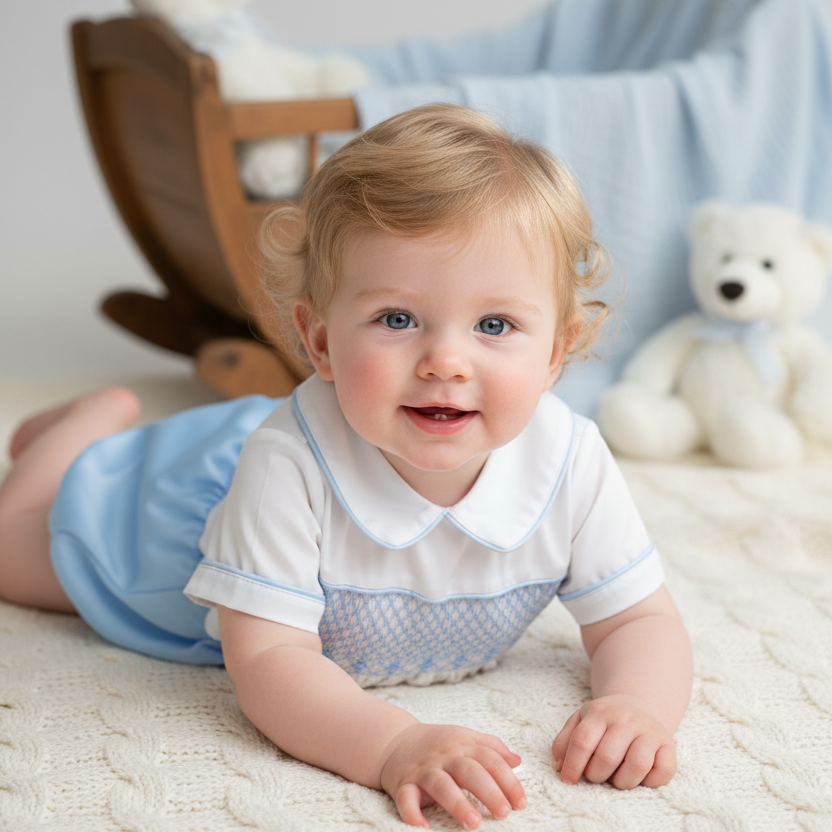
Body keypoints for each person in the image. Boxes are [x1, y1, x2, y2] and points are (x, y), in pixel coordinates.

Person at [0, 105, 693, 830]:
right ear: (320, 341)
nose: (445, 363)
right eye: (397, 319)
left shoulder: (571, 459)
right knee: (18, 552)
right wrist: (391, 742)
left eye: (495, 325)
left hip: (335, 431)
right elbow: (269, 660)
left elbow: (639, 618)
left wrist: (636, 705)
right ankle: (85, 425)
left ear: (557, 349)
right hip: (190, 523)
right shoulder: (284, 468)